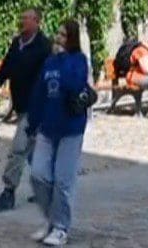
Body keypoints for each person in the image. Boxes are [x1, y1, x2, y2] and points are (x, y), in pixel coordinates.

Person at [28, 19, 94, 247]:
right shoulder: (49, 62)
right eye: (58, 33)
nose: (58, 38)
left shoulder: (78, 61)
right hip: (47, 128)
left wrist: (63, 58)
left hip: (70, 129)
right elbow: (39, 94)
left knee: (63, 181)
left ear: (72, 39)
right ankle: (52, 220)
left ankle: (60, 227)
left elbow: (74, 85)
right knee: (38, 175)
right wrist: (32, 123)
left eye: (64, 35)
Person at [0, 9, 53, 214]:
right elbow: (7, 66)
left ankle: (8, 192)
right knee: (33, 151)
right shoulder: (17, 43)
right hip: (21, 103)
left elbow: (48, 77)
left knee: (19, 147)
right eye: (21, 18)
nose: (22, 21)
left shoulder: (44, 46)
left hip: (36, 107)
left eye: (26, 18)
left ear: (36, 21)